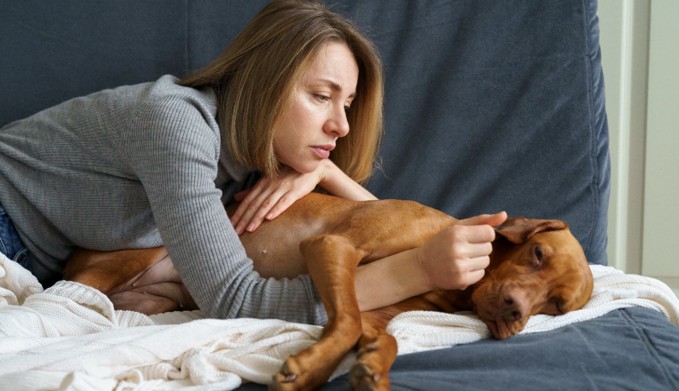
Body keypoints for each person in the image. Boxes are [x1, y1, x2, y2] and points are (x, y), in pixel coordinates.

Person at [0, 0, 505, 324]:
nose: (341, 126)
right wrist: (419, 269)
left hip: (36, 262)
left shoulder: (255, 163)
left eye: (346, 104)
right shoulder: (176, 124)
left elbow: (391, 224)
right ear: (262, 84)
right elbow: (235, 301)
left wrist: (327, 173)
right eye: (320, 96)